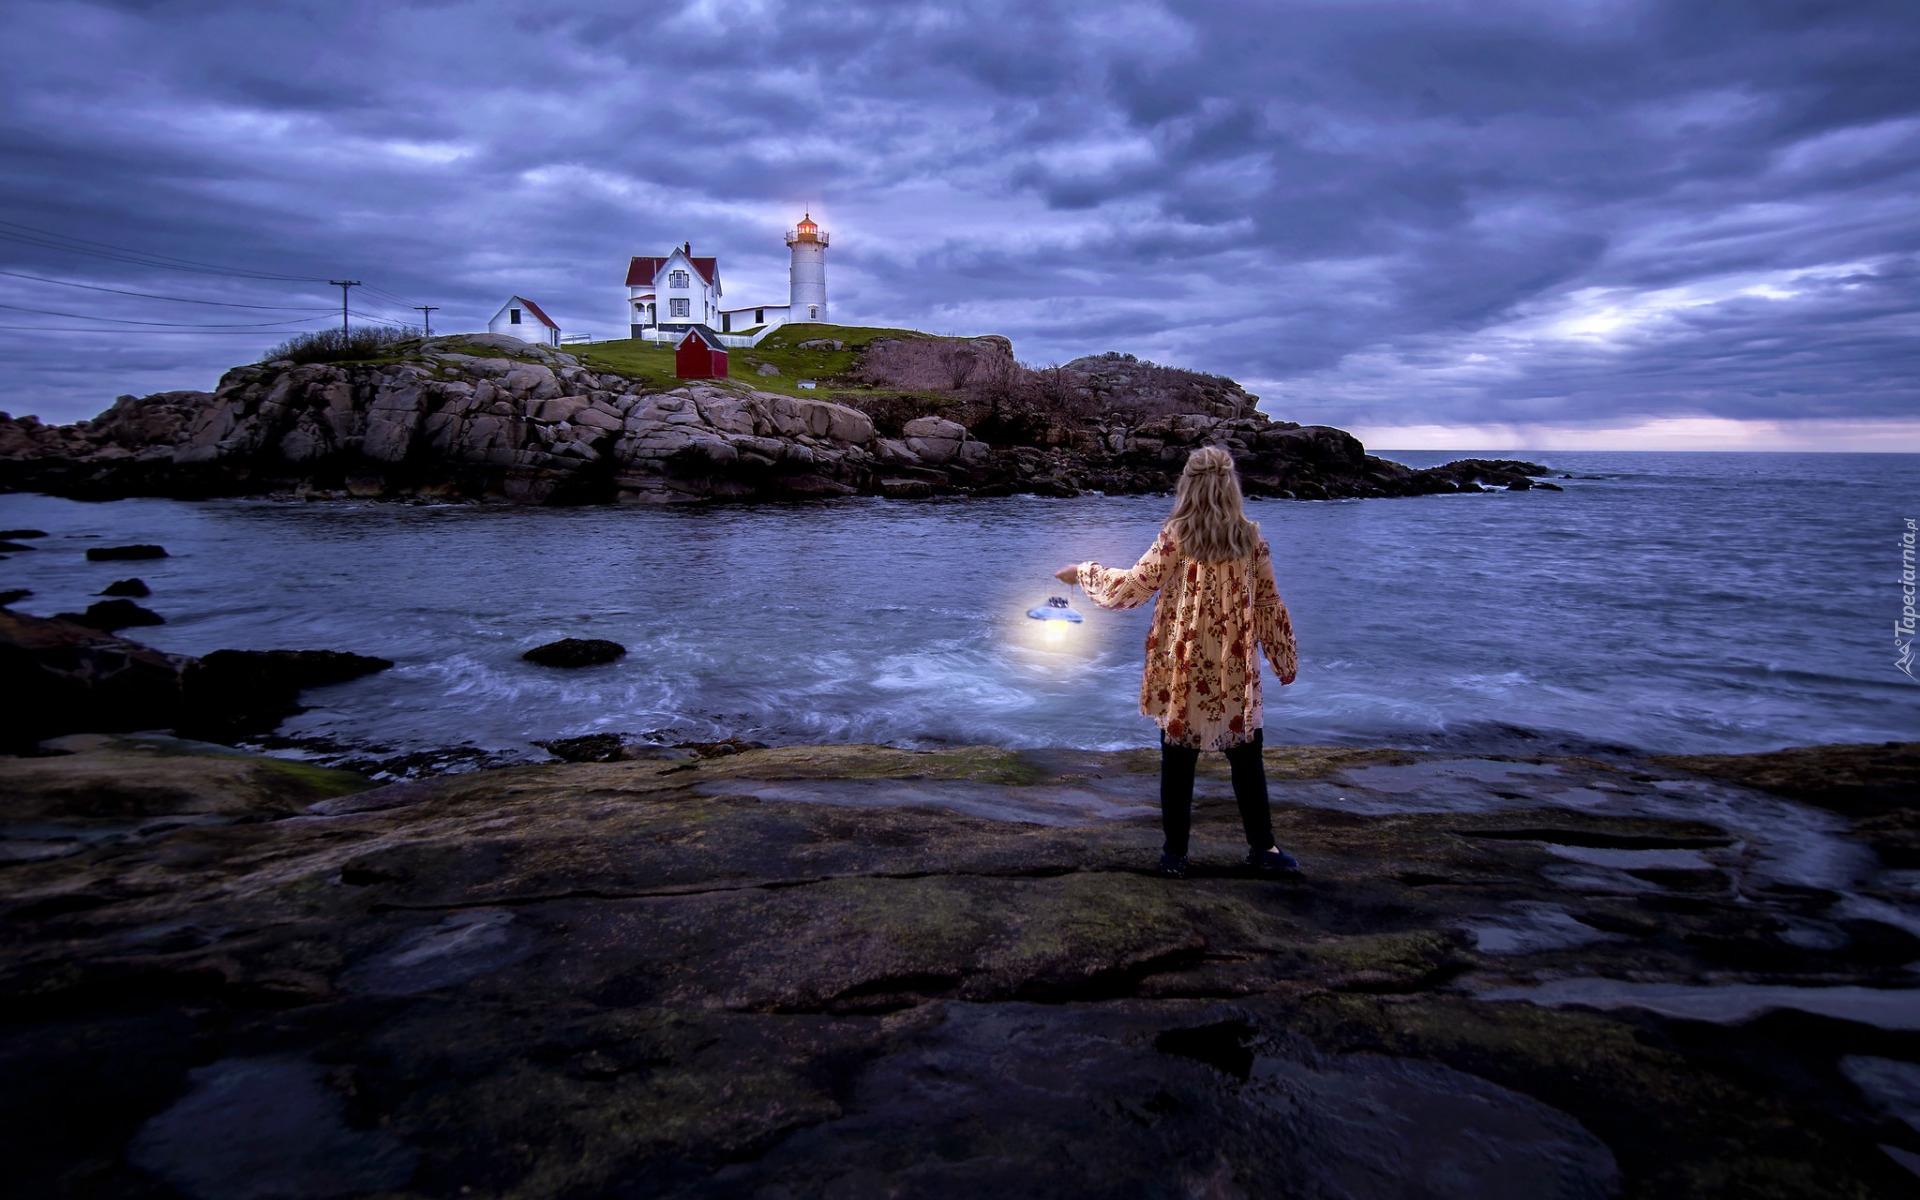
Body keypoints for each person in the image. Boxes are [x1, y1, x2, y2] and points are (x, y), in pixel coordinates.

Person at [1055, 446, 1300, 879]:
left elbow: (1134, 585)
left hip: (1184, 662)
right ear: (1231, 486)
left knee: (1178, 757)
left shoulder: (1176, 536)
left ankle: (1175, 855)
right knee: (1246, 756)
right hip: (1233, 664)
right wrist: (1283, 656)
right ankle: (1263, 848)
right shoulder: (1251, 537)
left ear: (1188, 486)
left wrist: (1083, 571)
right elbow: (1268, 603)